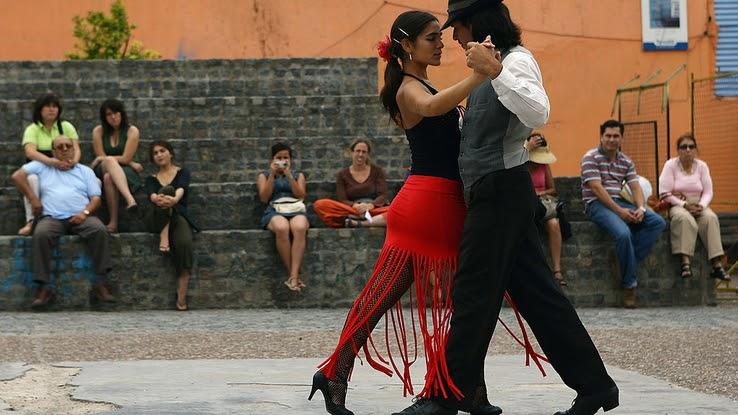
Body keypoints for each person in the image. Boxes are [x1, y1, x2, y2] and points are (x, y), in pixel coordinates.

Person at [395, 2, 620, 415]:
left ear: (477, 25)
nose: (455, 39)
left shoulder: (516, 61)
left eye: (457, 29)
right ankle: (595, 385)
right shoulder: (487, 68)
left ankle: (446, 397)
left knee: (472, 293)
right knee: (539, 297)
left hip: (501, 191)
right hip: (495, 192)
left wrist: (496, 71)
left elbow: (539, 112)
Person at [310, 11, 500, 415]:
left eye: (439, 36)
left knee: (466, 302)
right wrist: (479, 77)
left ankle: (467, 388)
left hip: (441, 203)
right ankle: (335, 374)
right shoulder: (409, 90)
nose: (441, 42)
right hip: (426, 207)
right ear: (407, 46)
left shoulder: (421, 81)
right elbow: (432, 107)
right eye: (432, 38)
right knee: (392, 300)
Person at [11, 135, 114, 309]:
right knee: (41, 234)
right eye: (60, 147)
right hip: (52, 217)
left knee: (100, 230)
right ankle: (44, 287)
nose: (65, 149)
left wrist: (85, 212)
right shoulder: (44, 166)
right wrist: (33, 198)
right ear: (53, 151)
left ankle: (100, 282)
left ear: (74, 149)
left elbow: (96, 198)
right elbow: (17, 176)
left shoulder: (84, 171)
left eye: (68, 146)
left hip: (81, 217)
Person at [582, 120, 667, 309]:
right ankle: (629, 286)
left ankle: (625, 261)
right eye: (608, 136)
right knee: (623, 233)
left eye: (616, 136)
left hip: (621, 202)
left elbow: (635, 187)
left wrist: (641, 208)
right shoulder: (590, 157)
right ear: (601, 137)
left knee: (657, 222)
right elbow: (596, 189)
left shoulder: (625, 161)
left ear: (621, 138)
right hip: (596, 204)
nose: (612, 140)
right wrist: (620, 212)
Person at [659, 133, 729, 281]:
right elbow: (664, 193)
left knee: (710, 218)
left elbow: (708, 191)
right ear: (678, 150)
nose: (688, 150)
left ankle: (717, 265)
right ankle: (685, 263)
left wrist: (702, 206)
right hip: (678, 202)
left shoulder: (702, 166)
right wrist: (685, 205)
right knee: (684, 219)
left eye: (691, 146)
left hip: (698, 203)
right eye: (683, 147)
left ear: (696, 149)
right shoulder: (670, 165)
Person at [145, 140, 199, 311]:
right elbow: (152, 195)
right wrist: (158, 198)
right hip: (156, 217)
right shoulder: (151, 179)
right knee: (165, 192)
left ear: (171, 153)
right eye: (155, 153)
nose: (159, 154)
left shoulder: (182, 173)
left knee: (184, 244)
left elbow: (181, 188)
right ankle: (164, 233)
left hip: (178, 215)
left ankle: (181, 295)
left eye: (162, 151)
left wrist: (174, 199)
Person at [17, 93, 81, 236]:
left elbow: (76, 148)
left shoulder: (66, 126)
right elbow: (30, 152)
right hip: (41, 170)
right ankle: (31, 221)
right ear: (40, 110)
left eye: (54, 106)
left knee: (94, 181)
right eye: (47, 106)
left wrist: (74, 162)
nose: (52, 109)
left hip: (66, 168)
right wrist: (52, 162)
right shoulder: (32, 129)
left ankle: (83, 216)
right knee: (31, 179)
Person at [257, 143, 309, 292]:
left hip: (295, 208)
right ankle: (294, 275)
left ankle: (293, 276)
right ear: (272, 160)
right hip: (274, 209)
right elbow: (264, 197)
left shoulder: (298, 175)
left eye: (285, 158)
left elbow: (301, 195)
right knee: (282, 228)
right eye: (278, 158)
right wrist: (272, 175)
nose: (282, 161)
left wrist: (289, 176)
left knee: (299, 228)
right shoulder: (264, 176)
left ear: (290, 160)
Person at [90, 99, 143, 233]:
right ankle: (130, 199)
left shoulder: (132, 131)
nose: (113, 117)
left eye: (116, 113)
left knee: (109, 178)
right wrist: (129, 161)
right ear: (104, 117)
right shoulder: (98, 131)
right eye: (109, 114)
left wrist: (128, 162)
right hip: (102, 168)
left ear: (122, 113)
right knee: (108, 163)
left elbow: (126, 158)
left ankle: (113, 223)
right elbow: (102, 157)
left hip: (125, 171)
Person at [314, 138, 390, 228]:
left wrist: (370, 205)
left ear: (368, 154)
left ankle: (358, 222)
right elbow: (342, 199)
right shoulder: (342, 174)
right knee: (320, 204)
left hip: (373, 209)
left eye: (364, 152)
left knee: (397, 211)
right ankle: (362, 218)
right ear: (352, 152)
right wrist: (355, 206)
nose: (360, 154)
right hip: (352, 209)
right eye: (358, 151)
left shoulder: (377, 171)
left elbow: (383, 195)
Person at [526, 132, 566, 285]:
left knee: (554, 224)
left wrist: (539, 193)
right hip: (527, 206)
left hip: (544, 204)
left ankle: (557, 270)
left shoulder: (544, 166)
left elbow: (552, 189)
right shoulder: (521, 166)